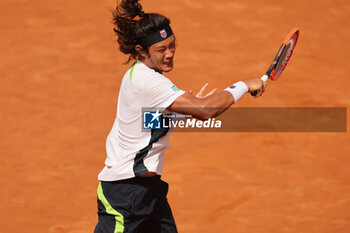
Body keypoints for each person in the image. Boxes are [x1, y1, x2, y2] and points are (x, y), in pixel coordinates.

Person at [93, 0, 266, 233]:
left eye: (172, 45)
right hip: (125, 194)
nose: (170, 54)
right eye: (161, 50)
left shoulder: (142, 76)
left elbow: (147, 124)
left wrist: (181, 114)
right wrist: (244, 85)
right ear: (141, 51)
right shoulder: (148, 81)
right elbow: (206, 110)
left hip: (149, 192)